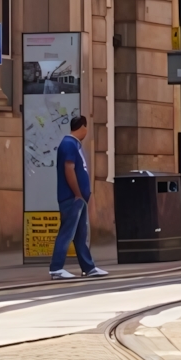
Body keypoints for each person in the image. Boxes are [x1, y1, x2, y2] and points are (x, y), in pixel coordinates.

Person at [49, 115, 107, 280]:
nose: (87, 131)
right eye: (86, 127)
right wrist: (77, 193)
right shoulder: (69, 144)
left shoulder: (74, 145)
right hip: (72, 198)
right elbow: (69, 169)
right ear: (82, 126)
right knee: (67, 232)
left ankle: (88, 267)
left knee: (80, 235)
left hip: (78, 199)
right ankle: (56, 268)